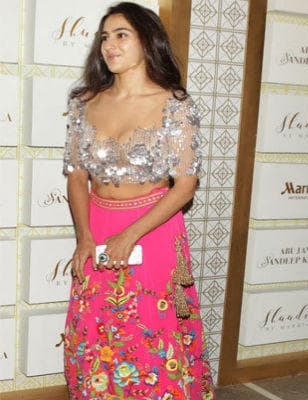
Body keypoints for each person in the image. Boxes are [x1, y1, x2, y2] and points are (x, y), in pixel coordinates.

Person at [61, 3, 214, 399]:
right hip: (97, 226)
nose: (109, 45)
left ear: (147, 41)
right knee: (94, 333)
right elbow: (76, 175)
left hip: (153, 229)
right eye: (105, 37)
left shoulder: (174, 104)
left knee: (151, 334)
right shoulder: (85, 102)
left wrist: (130, 235)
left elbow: (185, 185)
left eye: (121, 35)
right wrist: (84, 237)